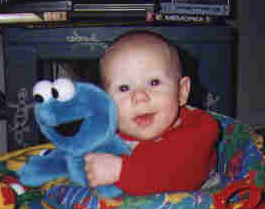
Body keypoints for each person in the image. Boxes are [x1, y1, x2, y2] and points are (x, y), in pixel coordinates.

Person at [84, 30, 220, 196]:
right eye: (124, 88)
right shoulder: (107, 135)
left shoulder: (199, 129)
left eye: (154, 82)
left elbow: (182, 178)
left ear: (181, 92)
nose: (140, 97)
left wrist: (121, 171)